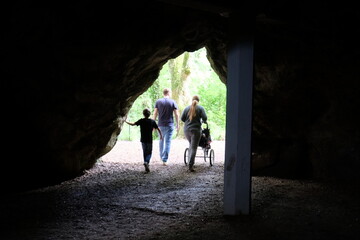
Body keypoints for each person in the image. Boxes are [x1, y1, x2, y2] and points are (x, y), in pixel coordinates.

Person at [125, 108, 163, 173]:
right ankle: (146, 162)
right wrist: (161, 136)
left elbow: (133, 124)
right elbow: (158, 129)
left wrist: (125, 121)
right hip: (149, 140)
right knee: (149, 152)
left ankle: (146, 164)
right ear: (149, 114)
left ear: (143, 114)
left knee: (145, 152)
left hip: (143, 140)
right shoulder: (152, 121)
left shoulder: (141, 121)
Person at [153, 88, 180, 165]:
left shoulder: (158, 102)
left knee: (161, 141)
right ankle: (165, 160)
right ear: (169, 93)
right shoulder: (173, 102)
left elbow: (155, 113)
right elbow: (176, 114)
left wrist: (153, 124)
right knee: (167, 142)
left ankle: (161, 157)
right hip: (170, 125)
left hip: (160, 125)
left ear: (163, 93)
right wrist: (177, 124)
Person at [181, 95, 208, 172]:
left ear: (192, 100)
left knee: (191, 145)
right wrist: (202, 120)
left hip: (187, 130)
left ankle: (190, 161)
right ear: (198, 101)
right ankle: (190, 165)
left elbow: (182, 118)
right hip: (196, 130)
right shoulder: (200, 108)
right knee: (194, 147)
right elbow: (205, 118)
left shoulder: (186, 108)